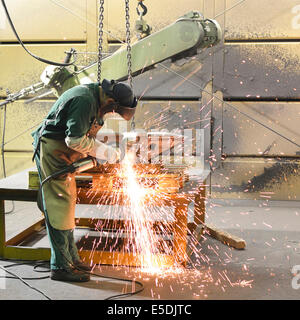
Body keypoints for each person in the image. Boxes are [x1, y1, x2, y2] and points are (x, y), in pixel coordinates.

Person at [31, 79, 137, 282]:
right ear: (111, 100)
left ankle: (70, 258)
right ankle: (61, 266)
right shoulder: (84, 99)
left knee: (66, 204)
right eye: (113, 111)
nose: (110, 114)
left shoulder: (95, 98)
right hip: (53, 150)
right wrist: (107, 152)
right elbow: (75, 140)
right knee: (58, 206)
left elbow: (81, 136)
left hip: (63, 151)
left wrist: (103, 152)